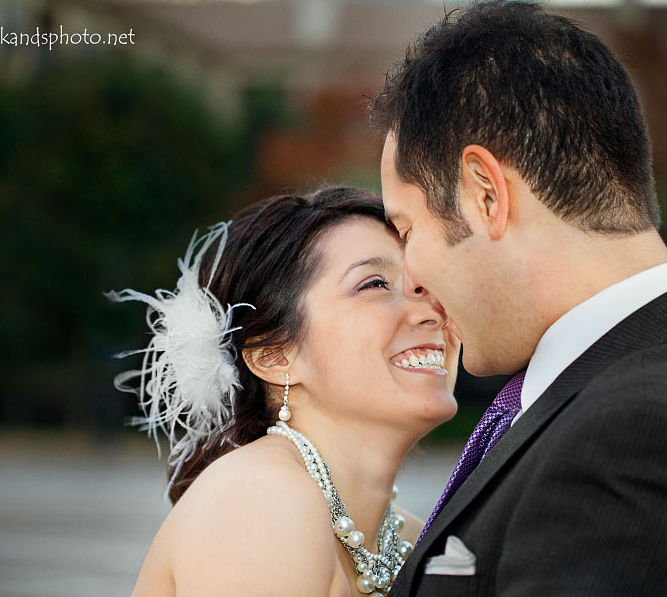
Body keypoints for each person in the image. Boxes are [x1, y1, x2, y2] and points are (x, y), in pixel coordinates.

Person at [370, 1, 667, 596]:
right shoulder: (649, 379)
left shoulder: (635, 439)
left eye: (406, 230)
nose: (411, 281)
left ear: (486, 195)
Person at [106, 186, 461, 596]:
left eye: (426, 283)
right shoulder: (258, 498)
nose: (432, 309)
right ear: (274, 356)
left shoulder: (413, 541)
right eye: (375, 283)